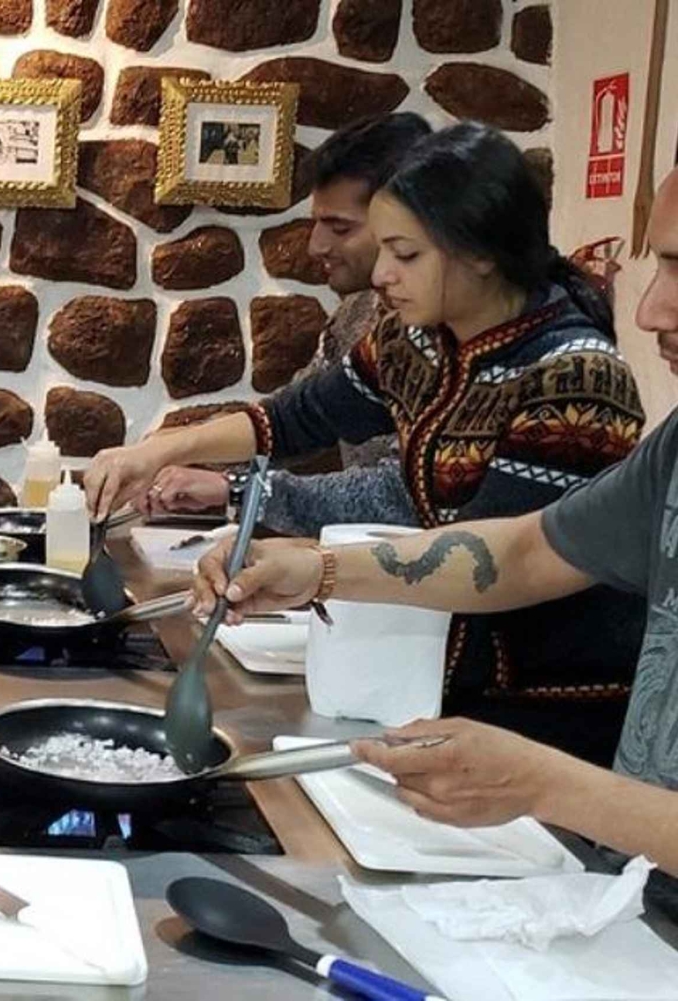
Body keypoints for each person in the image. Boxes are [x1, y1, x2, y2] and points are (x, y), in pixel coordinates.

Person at [89, 122, 649, 764]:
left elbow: (497, 557)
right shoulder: (415, 340)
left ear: (481, 252)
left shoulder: (575, 375)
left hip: (550, 710)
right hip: (442, 683)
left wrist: (315, 568)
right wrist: (157, 450)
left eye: (405, 254)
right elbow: (293, 419)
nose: (381, 274)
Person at [189, 167, 678, 879]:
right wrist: (316, 570)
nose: (650, 311)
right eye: (659, 265)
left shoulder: (575, 369)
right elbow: (525, 547)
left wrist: (551, 785)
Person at [144, 113, 432, 537]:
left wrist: (236, 489)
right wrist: (173, 450)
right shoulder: (367, 316)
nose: (316, 245)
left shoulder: (489, 341)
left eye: (340, 228)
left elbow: (401, 495)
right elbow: (298, 415)